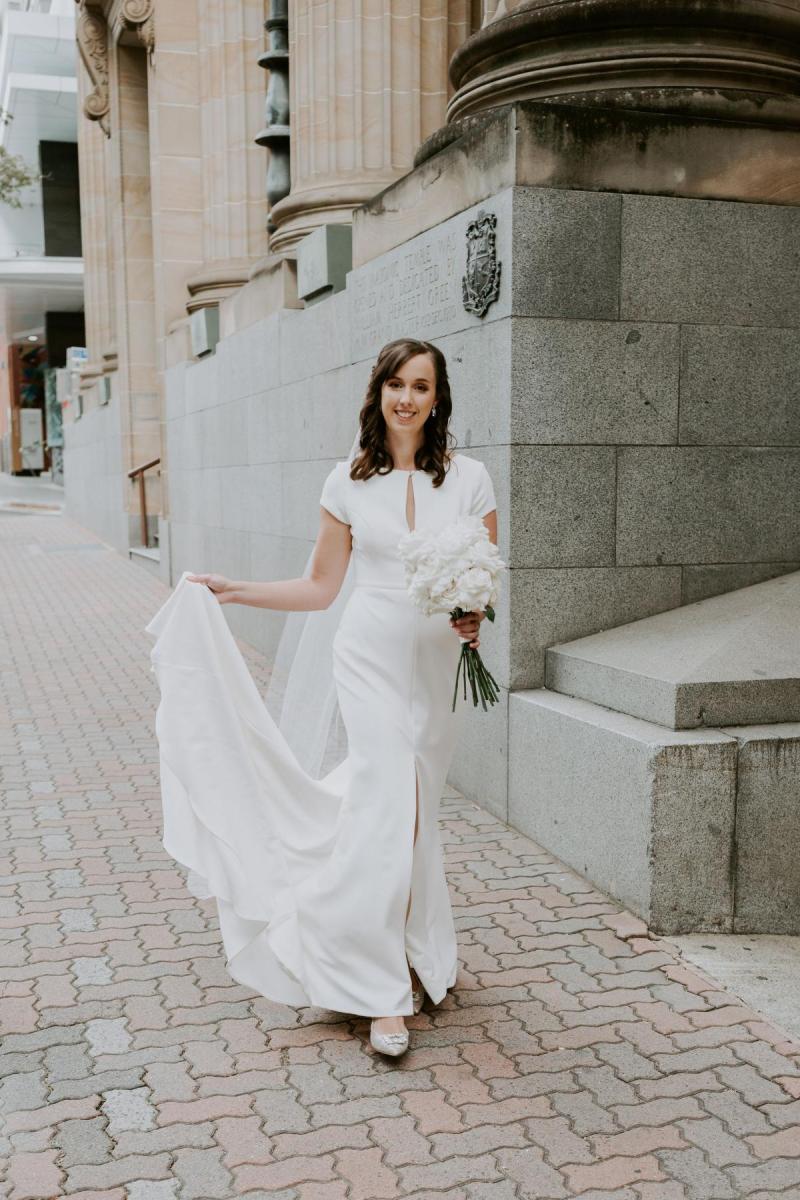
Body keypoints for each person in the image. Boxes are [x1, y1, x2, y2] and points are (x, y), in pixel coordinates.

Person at [184, 336, 498, 1057]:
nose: (407, 397)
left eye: (421, 386)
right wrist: (237, 590)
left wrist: (475, 614)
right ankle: (375, 990)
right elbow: (322, 588)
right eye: (396, 384)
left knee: (416, 813)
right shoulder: (347, 483)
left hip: (437, 668)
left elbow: (483, 576)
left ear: (438, 398)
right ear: (378, 393)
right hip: (369, 658)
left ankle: (415, 949)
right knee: (386, 806)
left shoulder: (473, 480)